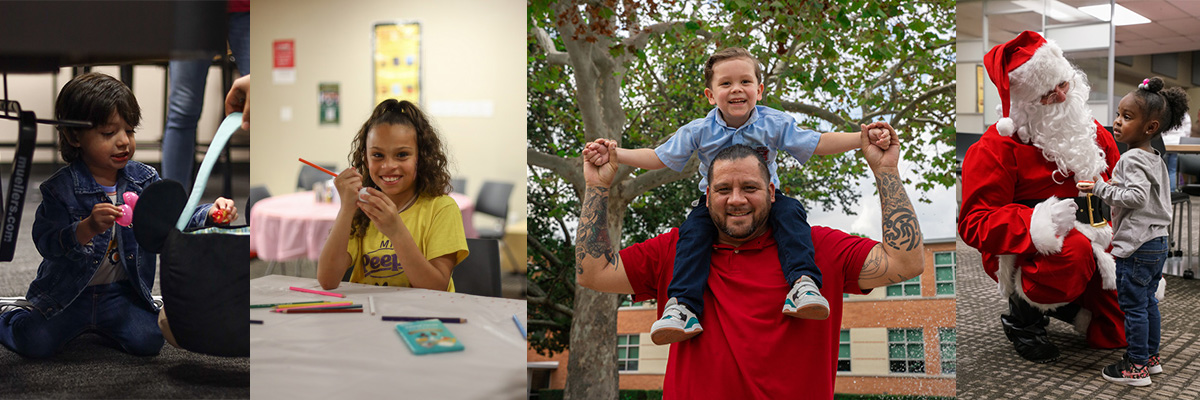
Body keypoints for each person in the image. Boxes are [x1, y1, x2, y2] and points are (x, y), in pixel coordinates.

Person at [576, 133, 925, 399]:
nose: (736, 199)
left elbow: (905, 262)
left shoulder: (818, 247)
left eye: (750, 187)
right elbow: (594, 273)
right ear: (707, 196)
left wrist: (886, 171)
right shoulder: (677, 251)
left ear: (772, 192)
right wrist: (597, 186)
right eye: (723, 189)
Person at [582, 47, 890, 345]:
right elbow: (659, 157)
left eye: (745, 81)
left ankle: (803, 284)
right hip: (714, 206)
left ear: (759, 90)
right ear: (710, 95)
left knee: (791, 213)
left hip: (766, 200)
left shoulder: (774, 123)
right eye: (726, 83)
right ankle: (683, 307)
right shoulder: (698, 130)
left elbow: (817, 142)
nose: (736, 89)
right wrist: (616, 154)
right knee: (693, 234)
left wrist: (861, 139)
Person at [0, 72, 237, 358]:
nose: (124, 141)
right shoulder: (59, 189)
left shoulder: (144, 179)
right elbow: (46, 242)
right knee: (34, 342)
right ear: (74, 136)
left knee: (149, 341)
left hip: (120, 295)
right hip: (68, 296)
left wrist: (210, 213)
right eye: (108, 133)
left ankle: (103, 325)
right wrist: (86, 228)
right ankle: (9, 314)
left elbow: (176, 218)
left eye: (130, 130)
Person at [959, 30, 1126, 364]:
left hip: (1097, 234)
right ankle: (1024, 320)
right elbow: (974, 223)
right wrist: (1039, 223)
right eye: (1048, 95)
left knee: (1117, 331)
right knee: (1072, 251)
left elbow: (1119, 188)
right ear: (1025, 103)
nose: (1062, 97)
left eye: (1064, 84)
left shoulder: (1092, 132)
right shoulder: (995, 148)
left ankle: (1070, 307)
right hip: (1029, 248)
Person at [1080, 77, 1185, 386]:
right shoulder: (1154, 158)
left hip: (1137, 245)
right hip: (1157, 241)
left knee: (1134, 307)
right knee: (1148, 302)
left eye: (1127, 117)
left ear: (1150, 127)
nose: (1117, 122)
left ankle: (1136, 367)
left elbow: (1136, 198)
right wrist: (1116, 185)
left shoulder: (1130, 158)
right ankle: (1151, 359)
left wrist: (1100, 188)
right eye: (1118, 114)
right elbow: (1146, 194)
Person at [316, 99, 468, 290]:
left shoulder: (441, 208)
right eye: (377, 155)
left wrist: (396, 231)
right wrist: (346, 208)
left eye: (402, 155)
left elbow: (436, 288)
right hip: (369, 308)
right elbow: (327, 281)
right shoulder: (361, 209)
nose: (388, 166)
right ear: (366, 159)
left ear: (421, 157)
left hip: (421, 309)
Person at [161, 0, 250, 192]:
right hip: (195, 8)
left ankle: (270, 203)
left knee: (266, 103)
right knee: (182, 111)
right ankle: (172, 203)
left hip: (249, 8)